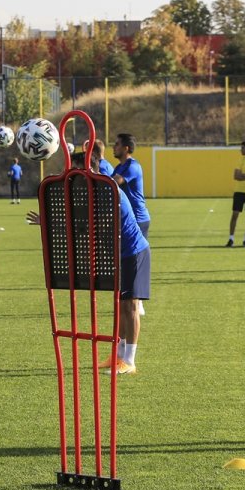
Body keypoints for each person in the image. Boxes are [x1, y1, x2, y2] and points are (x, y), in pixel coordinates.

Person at [27, 150, 150, 375]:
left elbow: (90, 225)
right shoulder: (91, 189)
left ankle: (129, 360)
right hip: (119, 255)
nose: (71, 173)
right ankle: (119, 356)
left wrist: (54, 222)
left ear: (89, 169)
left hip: (133, 253)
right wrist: (48, 221)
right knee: (120, 306)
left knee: (130, 306)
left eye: (75, 168)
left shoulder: (107, 190)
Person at [111, 133, 150, 236]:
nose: (113, 147)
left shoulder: (133, 166)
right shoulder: (119, 167)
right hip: (128, 218)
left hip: (138, 218)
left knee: (137, 252)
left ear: (125, 148)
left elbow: (114, 182)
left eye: (117, 144)